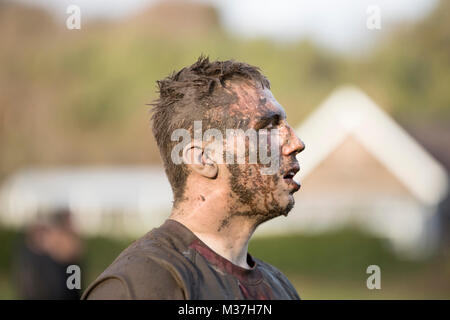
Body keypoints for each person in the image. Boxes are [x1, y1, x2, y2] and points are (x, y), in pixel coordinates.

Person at [82, 56, 305, 300]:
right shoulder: (141, 284)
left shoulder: (279, 287)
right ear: (203, 158)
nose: (296, 143)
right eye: (266, 129)